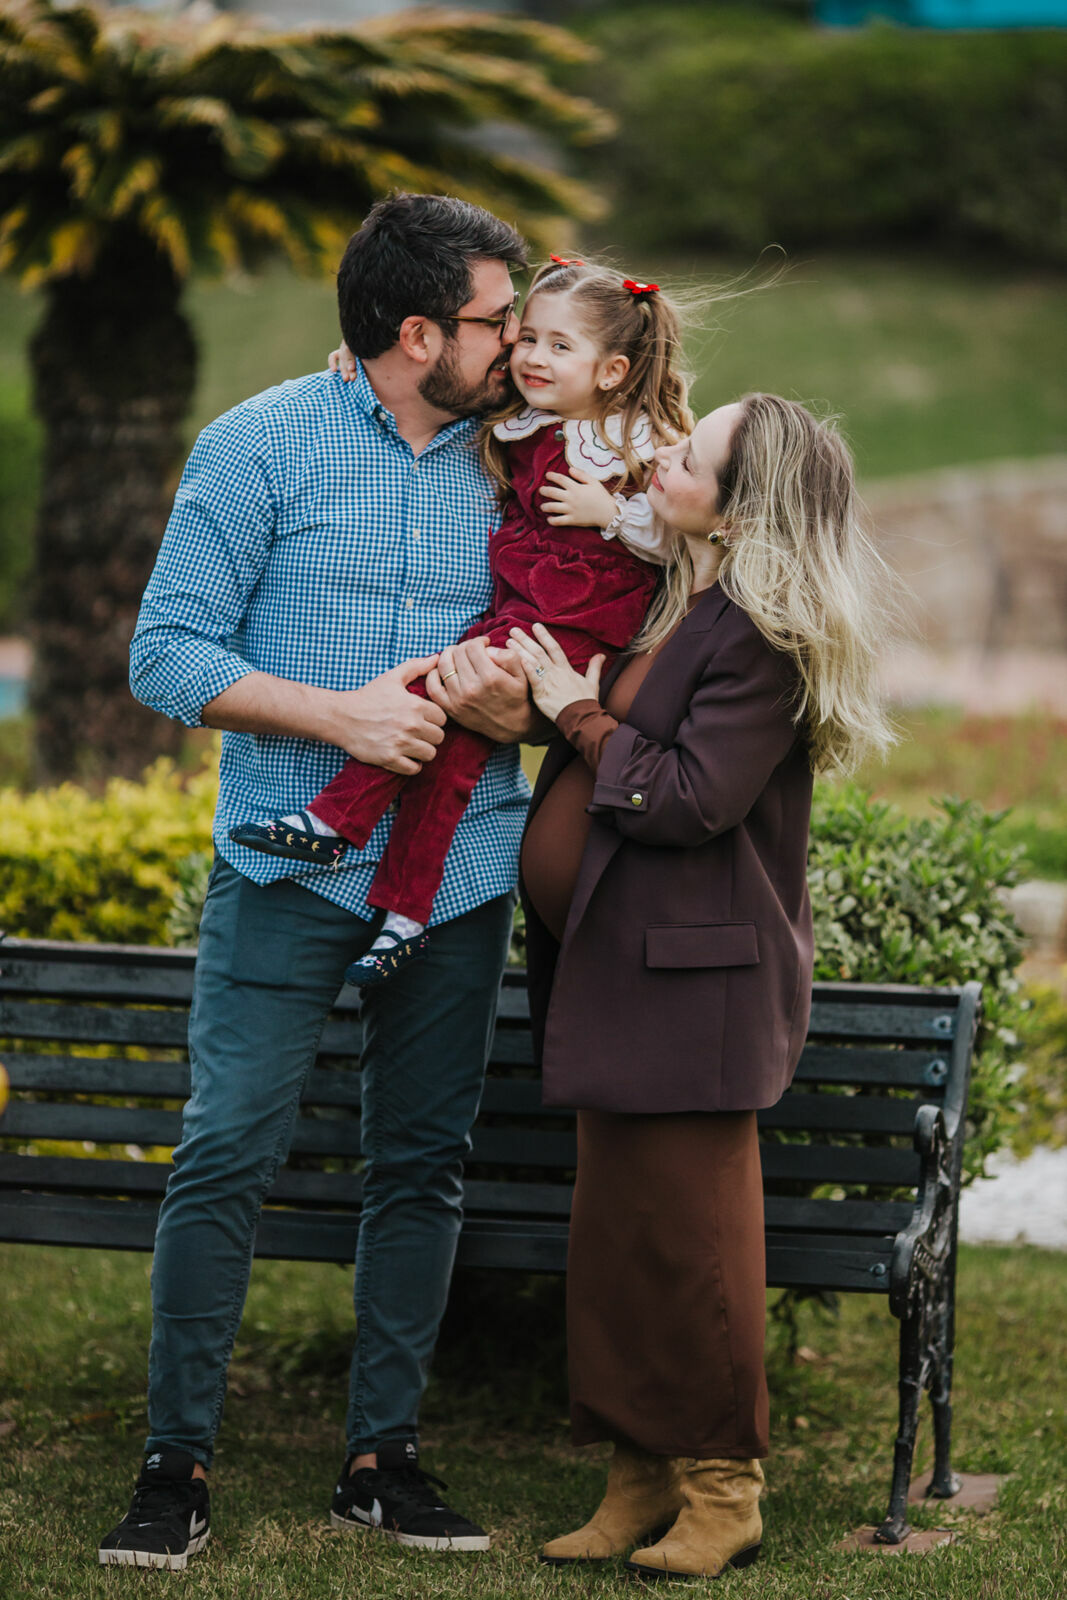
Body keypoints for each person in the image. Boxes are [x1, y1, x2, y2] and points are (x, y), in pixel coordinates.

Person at [102, 193, 541, 1570]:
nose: (516, 343)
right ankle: (173, 1466)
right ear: (419, 334)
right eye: (492, 321)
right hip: (284, 873)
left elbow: (574, 642)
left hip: (462, 874)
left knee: (420, 1166)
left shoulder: (526, 463)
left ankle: (380, 1459)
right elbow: (166, 657)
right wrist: (341, 719)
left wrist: (511, 706)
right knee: (224, 1150)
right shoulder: (255, 447)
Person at [509, 393, 897, 1581]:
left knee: (694, 1250)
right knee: (617, 1241)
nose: (658, 464)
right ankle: (637, 1478)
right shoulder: (692, 602)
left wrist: (568, 707)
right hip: (625, 980)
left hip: (696, 993)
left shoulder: (763, 638)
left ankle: (724, 1492)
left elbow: (683, 799)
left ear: (737, 508)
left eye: (683, 459)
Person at [230, 259, 691, 988]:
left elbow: (696, 524)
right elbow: (431, 377)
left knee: (433, 693)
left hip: (567, 627)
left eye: (557, 346)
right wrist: (366, 356)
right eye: (526, 336)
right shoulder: (522, 416)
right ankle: (406, 915)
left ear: (611, 371)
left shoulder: (644, 439)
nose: (532, 356)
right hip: (517, 607)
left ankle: (333, 823)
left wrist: (619, 518)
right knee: (449, 760)